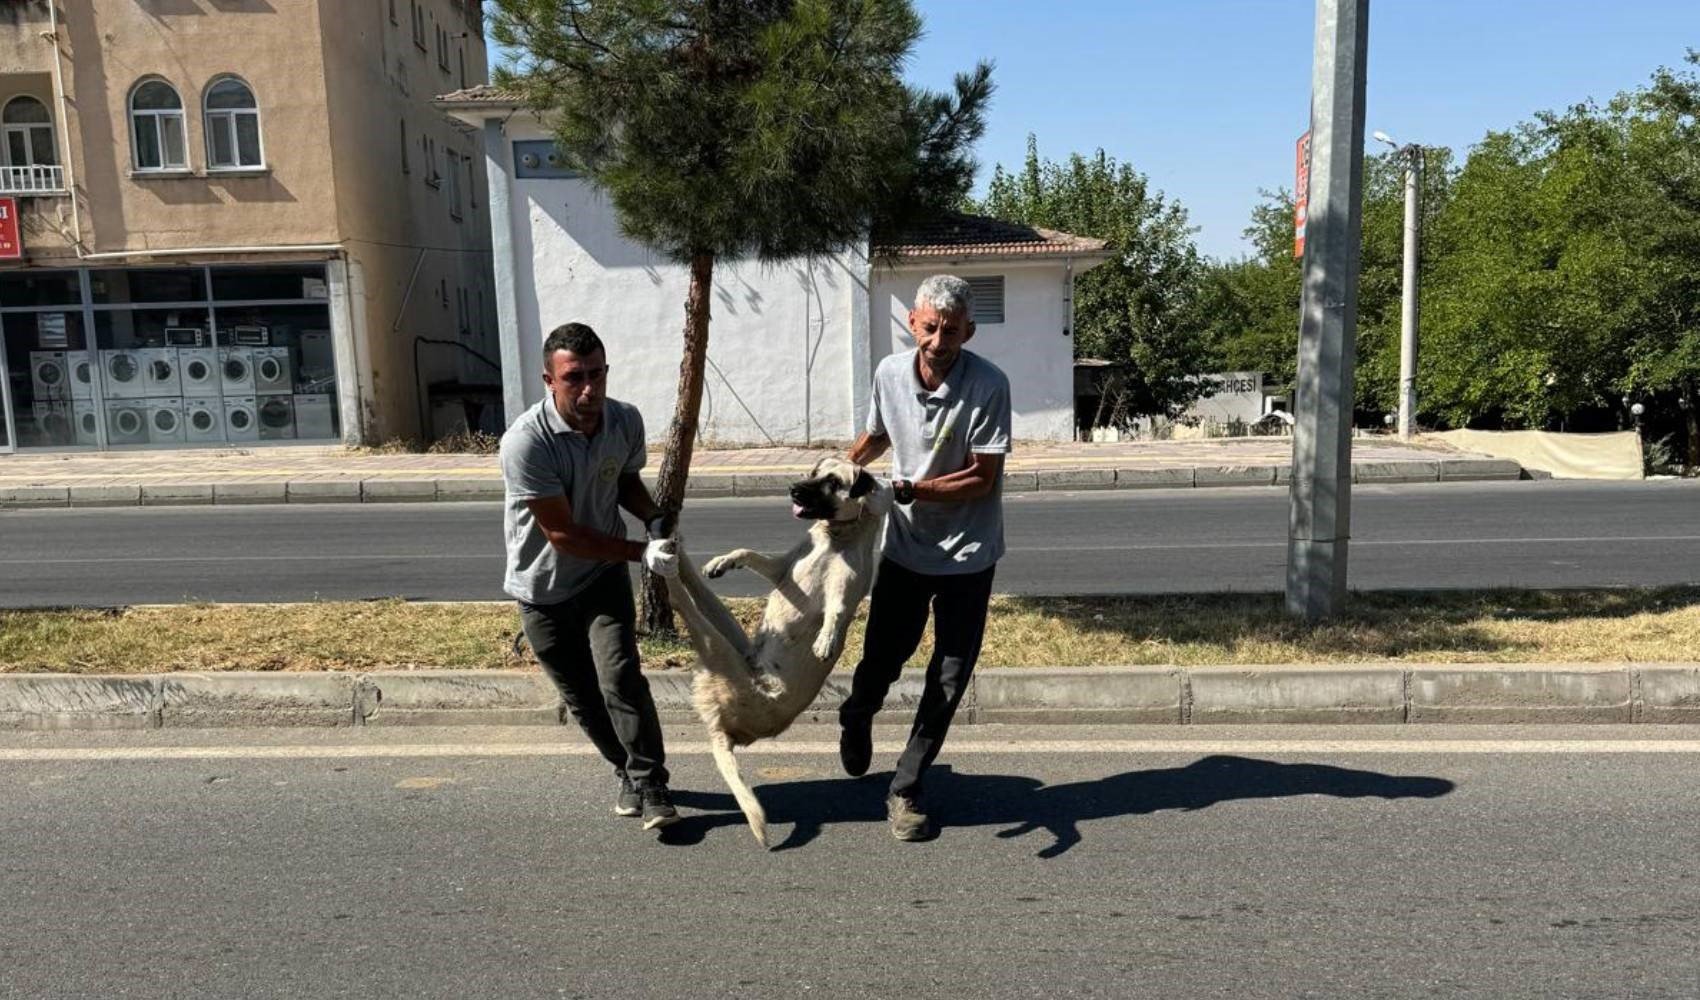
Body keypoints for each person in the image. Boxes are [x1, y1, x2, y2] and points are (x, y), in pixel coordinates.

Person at [838, 274, 1011, 841]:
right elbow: (877, 437)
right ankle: (858, 711)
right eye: (931, 328)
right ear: (913, 323)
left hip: (968, 554)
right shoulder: (889, 373)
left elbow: (981, 480)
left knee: (949, 676)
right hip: (906, 550)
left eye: (953, 332)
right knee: (884, 658)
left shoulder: (989, 384)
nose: (940, 341)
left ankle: (907, 788)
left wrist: (909, 491)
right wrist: (838, 474)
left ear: (970, 332)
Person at [499, 321, 683, 831]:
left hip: (601, 576)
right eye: (574, 377)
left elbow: (625, 480)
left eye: (597, 375)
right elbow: (562, 534)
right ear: (548, 380)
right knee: (582, 697)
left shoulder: (623, 421)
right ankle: (626, 770)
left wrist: (654, 517)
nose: (589, 389)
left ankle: (652, 784)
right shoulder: (526, 443)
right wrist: (639, 551)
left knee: (621, 677)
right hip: (542, 589)